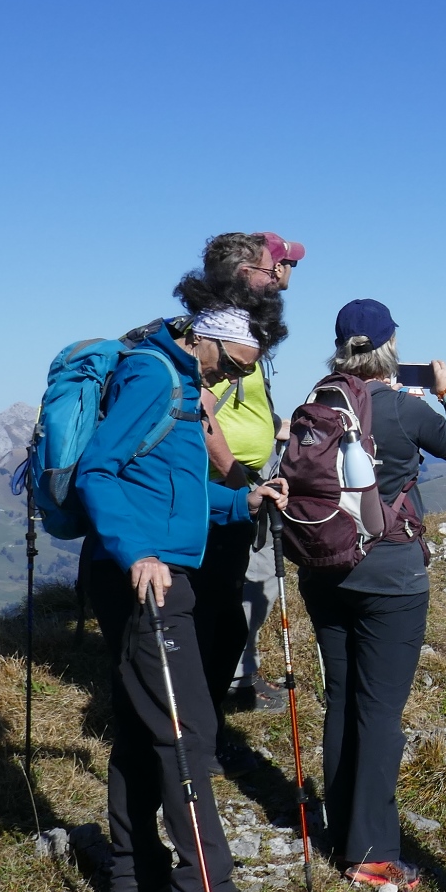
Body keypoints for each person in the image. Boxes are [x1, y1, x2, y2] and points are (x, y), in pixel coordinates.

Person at [76, 305, 289, 892]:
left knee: (144, 723)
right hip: (148, 576)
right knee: (185, 728)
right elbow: (98, 470)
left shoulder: (177, 379)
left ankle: (131, 876)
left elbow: (172, 488)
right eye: (229, 365)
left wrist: (240, 499)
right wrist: (137, 551)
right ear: (210, 341)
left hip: (153, 571)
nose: (226, 382)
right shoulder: (155, 378)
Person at [280, 299, 446, 889]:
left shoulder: (319, 402)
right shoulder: (401, 410)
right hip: (390, 576)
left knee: (342, 700)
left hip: (325, 568)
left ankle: (342, 829)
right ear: (392, 346)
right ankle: (370, 852)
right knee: (380, 711)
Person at [175, 231, 303, 715]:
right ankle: (214, 694)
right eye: (271, 269)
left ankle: (219, 685)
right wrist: (233, 476)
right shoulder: (223, 334)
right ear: (246, 274)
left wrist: (276, 428)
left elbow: (235, 406)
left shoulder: (237, 329)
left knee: (225, 593)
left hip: (240, 472)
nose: (278, 277)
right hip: (224, 480)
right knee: (223, 595)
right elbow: (204, 409)